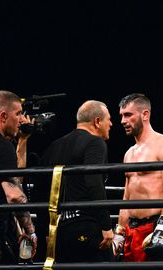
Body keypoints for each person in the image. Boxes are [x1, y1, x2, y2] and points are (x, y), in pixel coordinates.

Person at [39, 100, 114, 263]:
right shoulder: (95, 143)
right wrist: (107, 226)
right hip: (86, 225)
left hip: (58, 232)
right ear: (97, 121)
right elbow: (94, 181)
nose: (111, 124)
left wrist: (46, 231)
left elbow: (41, 189)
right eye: (109, 119)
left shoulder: (53, 147)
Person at [113, 93, 163, 262]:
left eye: (128, 115)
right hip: (132, 231)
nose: (122, 121)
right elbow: (127, 196)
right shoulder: (129, 154)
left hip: (156, 227)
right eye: (121, 115)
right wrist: (120, 232)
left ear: (145, 114)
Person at [0, 90, 37, 264]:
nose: (22, 120)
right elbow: (14, 195)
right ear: (3, 116)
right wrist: (30, 231)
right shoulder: (3, 146)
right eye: (18, 113)